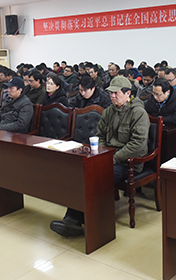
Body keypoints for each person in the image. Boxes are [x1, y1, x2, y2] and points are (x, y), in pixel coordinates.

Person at [49, 76, 149, 237]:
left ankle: (88, 220)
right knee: (83, 173)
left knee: (95, 177)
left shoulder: (138, 113)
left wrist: (113, 157)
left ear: (128, 93)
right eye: (111, 93)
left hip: (127, 163)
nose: (112, 96)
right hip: (107, 157)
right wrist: (103, 153)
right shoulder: (110, 111)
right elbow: (100, 134)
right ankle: (74, 220)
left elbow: (137, 144)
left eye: (116, 93)